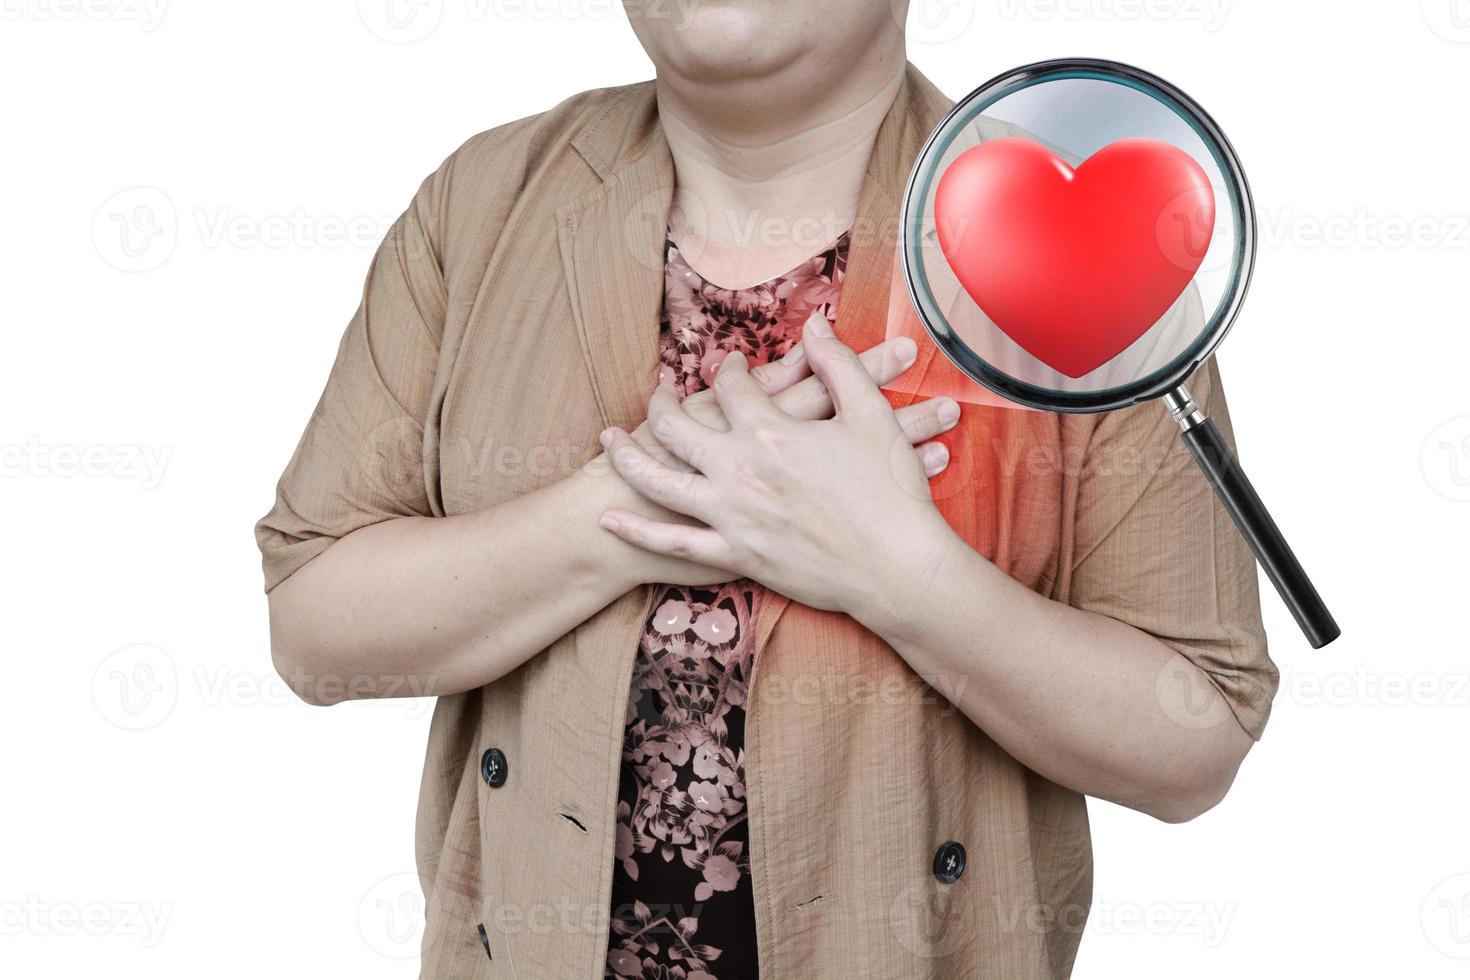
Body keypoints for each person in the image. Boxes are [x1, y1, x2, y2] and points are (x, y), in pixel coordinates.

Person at [256, 2, 1278, 976]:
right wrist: (635, 507)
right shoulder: (480, 205)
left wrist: (898, 570)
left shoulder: (1071, 243)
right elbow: (314, 621)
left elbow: (1196, 733)